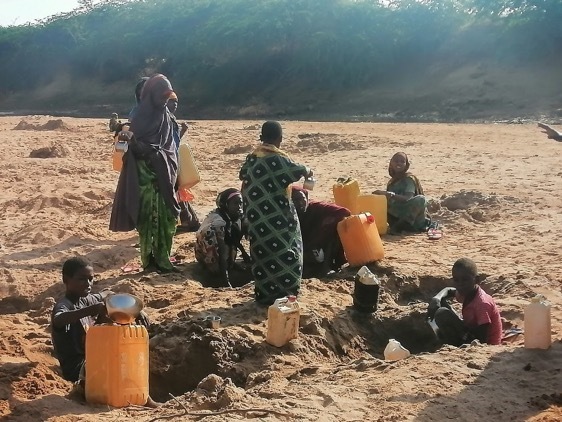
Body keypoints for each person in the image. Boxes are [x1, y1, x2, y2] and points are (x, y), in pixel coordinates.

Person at [109, 74, 181, 273]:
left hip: (165, 176)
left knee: (167, 220)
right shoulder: (139, 116)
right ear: (151, 95)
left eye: (168, 97)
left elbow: (169, 147)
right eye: (162, 96)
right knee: (147, 220)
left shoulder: (166, 116)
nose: (165, 101)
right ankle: (149, 261)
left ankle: (164, 258)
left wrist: (161, 156)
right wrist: (133, 143)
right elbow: (131, 151)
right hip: (144, 179)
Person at [239, 121, 313, 305]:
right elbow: (300, 170)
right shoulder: (278, 159)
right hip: (276, 218)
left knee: (261, 253)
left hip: (255, 217)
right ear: (280, 138)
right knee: (286, 251)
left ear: (262, 137)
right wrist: (309, 173)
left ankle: (264, 295)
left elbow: (243, 176)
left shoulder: (253, 157)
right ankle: (287, 293)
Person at [51, 257, 110, 383]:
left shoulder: (86, 299)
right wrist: (89, 311)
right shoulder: (64, 305)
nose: (88, 284)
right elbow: (58, 320)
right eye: (82, 279)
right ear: (66, 280)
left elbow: (106, 293)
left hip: (91, 357)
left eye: (90, 279)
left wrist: (138, 310)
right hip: (76, 368)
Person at [427, 258, 502, 346]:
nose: (460, 284)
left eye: (465, 280)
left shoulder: (482, 303)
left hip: (485, 342)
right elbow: (449, 291)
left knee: (442, 313)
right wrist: (437, 298)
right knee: (441, 303)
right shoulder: (467, 291)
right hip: (470, 332)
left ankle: (452, 343)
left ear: (476, 280)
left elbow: (483, 338)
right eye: (456, 280)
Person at [195, 188, 251, 287]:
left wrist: (244, 253)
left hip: (219, 244)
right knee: (221, 256)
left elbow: (233, 237)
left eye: (240, 203)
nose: (239, 207)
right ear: (226, 204)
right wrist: (226, 281)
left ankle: (230, 265)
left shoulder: (233, 217)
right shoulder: (219, 222)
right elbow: (222, 249)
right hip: (206, 251)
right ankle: (215, 269)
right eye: (235, 203)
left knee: (238, 227)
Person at [291, 186, 350, 277]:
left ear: (306, 198)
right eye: (295, 200)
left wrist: (324, 228)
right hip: (306, 245)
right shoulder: (288, 214)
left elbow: (344, 212)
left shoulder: (316, 207)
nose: (300, 203)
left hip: (321, 242)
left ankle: (326, 267)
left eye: (302, 199)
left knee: (333, 228)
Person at [372, 152, 429, 234]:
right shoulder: (392, 182)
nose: (399, 163)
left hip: (412, 219)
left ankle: (401, 226)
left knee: (420, 199)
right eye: (396, 161)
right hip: (397, 215)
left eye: (402, 161)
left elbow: (408, 198)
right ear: (391, 163)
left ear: (406, 165)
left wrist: (390, 194)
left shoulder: (409, 179)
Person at [166, 94, 200, 232]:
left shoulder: (169, 119)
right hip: (170, 160)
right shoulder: (165, 119)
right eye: (171, 101)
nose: (175, 104)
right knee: (177, 190)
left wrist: (182, 131)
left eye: (176, 102)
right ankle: (190, 220)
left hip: (170, 160)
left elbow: (173, 143)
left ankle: (188, 220)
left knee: (177, 190)